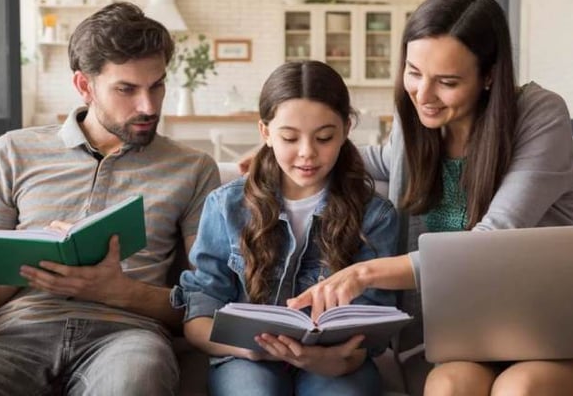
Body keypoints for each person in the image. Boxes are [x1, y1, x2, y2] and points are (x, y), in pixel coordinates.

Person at [287, 0, 573, 395]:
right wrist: (289, 153)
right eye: (414, 73)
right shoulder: (415, 120)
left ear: (488, 75)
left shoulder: (539, 113)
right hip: (457, 337)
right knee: (449, 387)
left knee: (520, 388)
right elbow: (380, 160)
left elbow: (495, 237)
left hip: (549, 334)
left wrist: (365, 273)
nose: (423, 94)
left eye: (447, 82)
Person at [0, 2, 219, 395]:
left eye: (157, 85)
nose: (149, 107)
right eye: (127, 89)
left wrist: (121, 291)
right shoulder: (13, 151)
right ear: (84, 85)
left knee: (137, 380)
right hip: (20, 328)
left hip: (128, 336)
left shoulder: (194, 168)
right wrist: (28, 263)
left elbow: (208, 301)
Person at [170, 60, 400, 396]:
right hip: (246, 360)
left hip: (335, 364)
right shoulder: (226, 206)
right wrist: (246, 348)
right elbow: (198, 315)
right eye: (289, 138)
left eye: (324, 137)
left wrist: (336, 362)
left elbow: (374, 329)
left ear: (347, 127)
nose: (307, 153)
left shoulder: (375, 215)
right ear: (264, 132)